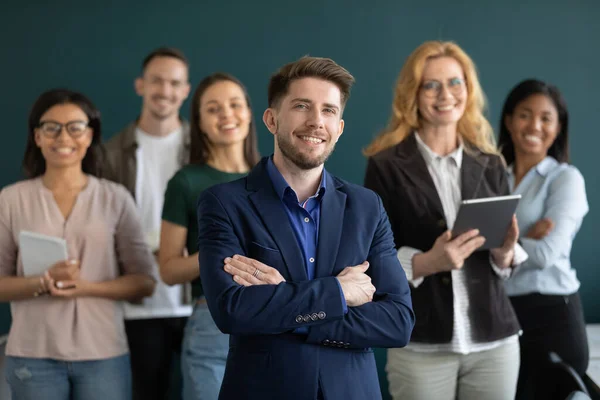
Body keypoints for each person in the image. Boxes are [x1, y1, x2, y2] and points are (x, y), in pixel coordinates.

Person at [196, 56, 415, 400]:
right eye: (301, 106)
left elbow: (398, 322)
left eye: (328, 111)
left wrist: (286, 302)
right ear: (271, 119)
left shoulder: (366, 206)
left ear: (339, 128)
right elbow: (233, 311)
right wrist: (338, 293)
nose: (316, 122)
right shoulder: (223, 203)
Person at [363, 41, 526, 400]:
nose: (445, 94)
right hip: (420, 343)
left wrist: (506, 252)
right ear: (414, 94)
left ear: (468, 89)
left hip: (494, 342)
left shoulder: (491, 162)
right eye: (431, 84)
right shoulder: (385, 166)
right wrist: (429, 262)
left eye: (455, 82)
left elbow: (505, 261)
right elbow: (372, 261)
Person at [0, 89, 156, 400]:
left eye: (75, 127)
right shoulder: (11, 199)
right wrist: (42, 283)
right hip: (32, 354)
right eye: (51, 127)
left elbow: (144, 282)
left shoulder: (115, 198)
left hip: (103, 354)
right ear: (38, 136)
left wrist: (86, 288)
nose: (63, 137)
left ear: (90, 135)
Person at [159, 72, 260, 400]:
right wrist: (221, 253)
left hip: (275, 317)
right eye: (214, 109)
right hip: (212, 320)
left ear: (250, 112)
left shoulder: (276, 176)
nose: (227, 115)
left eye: (235, 105)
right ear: (199, 123)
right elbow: (169, 270)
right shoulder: (186, 182)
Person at [103, 47, 193, 400]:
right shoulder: (109, 154)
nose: (165, 90)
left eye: (175, 83)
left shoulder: (202, 149)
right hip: (135, 304)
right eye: (157, 80)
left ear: (186, 91)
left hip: (197, 300)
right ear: (140, 85)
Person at [499, 79, 589, 400]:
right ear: (509, 121)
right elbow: (476, 248)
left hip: (554, 319)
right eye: (525, 115)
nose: (534, 125)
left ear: (558, 127)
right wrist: (525, 235)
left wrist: (504, 241)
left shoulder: (565, 179)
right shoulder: (495, 176)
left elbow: (548, 253)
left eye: (546, 118)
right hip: (504, 317)